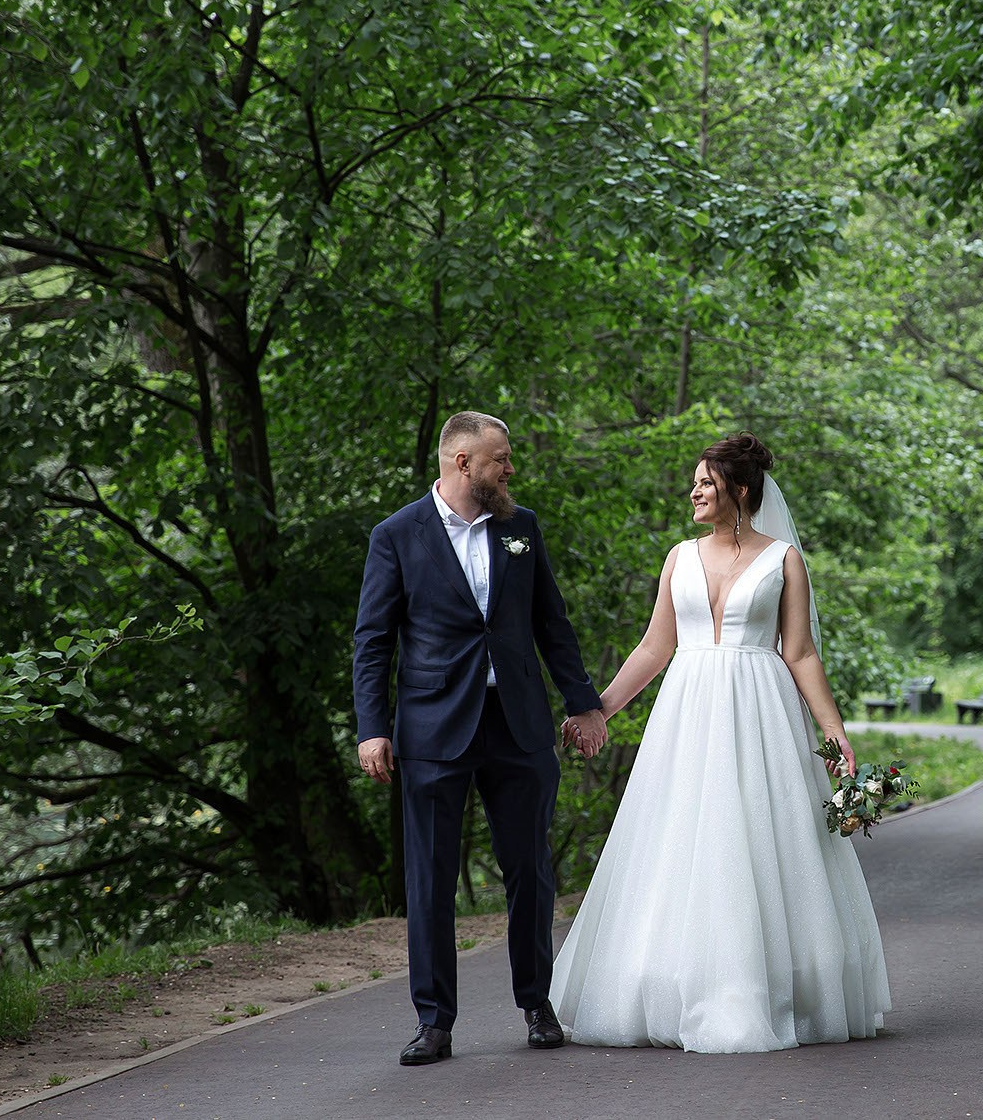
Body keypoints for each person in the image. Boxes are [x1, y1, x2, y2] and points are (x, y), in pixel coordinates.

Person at [548, 432, 891, 1053]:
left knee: (758, 838)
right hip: (687, 709)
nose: (694, 492)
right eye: (694, 482)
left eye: (706, 482)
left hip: (760, 709)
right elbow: (656, 647)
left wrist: (833, 730)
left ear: (739, 490)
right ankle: (667, 983)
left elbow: (800, 651)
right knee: (679, 838)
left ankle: (769, 988)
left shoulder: (783, 558)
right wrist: (598, 710)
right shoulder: (680, 555)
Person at [351, 412, 607, 1065]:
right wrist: (372, 728)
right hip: (433, 728)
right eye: (500, 458)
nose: (510, 468)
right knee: (430, 878)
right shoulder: (396, 535)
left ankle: (536, 1002)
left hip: (517, 725)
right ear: (462, 462)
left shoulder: (521, 528)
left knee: (530, 870)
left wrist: (584, 704)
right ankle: (435, 1022)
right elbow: (373, 640)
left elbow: (553, 622)